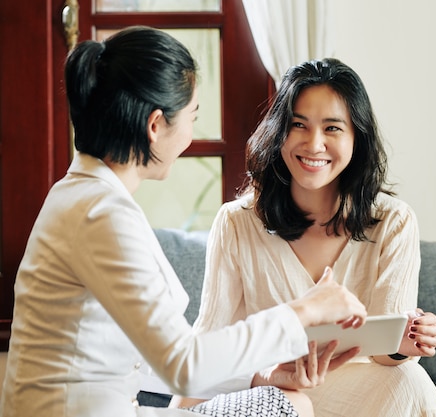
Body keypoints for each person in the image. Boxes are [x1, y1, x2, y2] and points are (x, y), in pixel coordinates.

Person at [0, 28, 368, 417]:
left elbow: (151, 361)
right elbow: (184, 366)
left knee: (288, 401)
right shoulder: (100, 214)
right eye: (192, 116)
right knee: (290, 408)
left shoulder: (84, 195)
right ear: (156, 125)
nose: (191, 136)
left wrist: (261, 377)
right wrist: (304, 311)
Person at [183, 58, 436, 416]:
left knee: (407, 378)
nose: (314, 144)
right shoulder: (237, 222)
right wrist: (269, 376)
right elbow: (207, 347)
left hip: (365, 397)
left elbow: (389, 355)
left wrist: (408, 342)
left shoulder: (393, 221)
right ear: (279, 131)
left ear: (357, 136)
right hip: (274, 392)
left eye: (332, 128)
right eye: (299, 125)